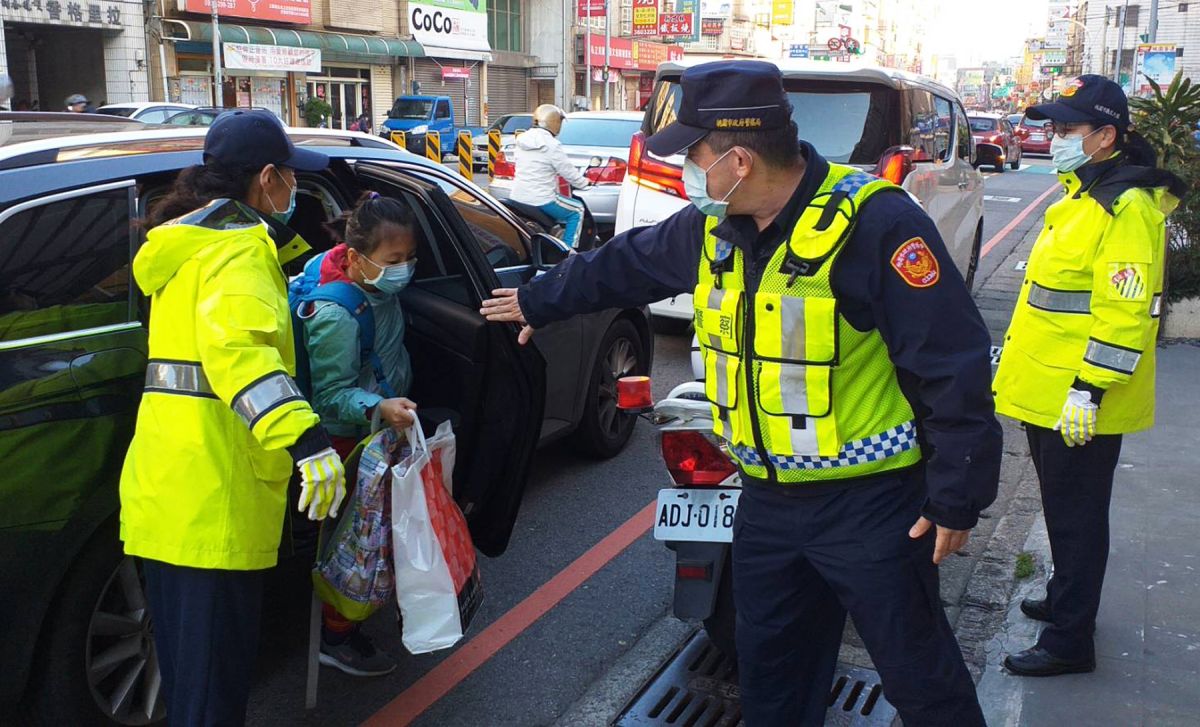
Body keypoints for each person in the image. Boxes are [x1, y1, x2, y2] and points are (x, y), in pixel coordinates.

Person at [481, 61, 1001, 726]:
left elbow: (951, 362)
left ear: (738, 159)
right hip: (765, 504)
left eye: (693, 156)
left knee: (923, 678)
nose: (686, 173)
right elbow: (626, 263)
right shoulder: (713, 229)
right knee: (772, 680)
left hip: (871, 508)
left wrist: (959, 491)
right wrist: (537, 299)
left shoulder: (876, 224)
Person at [120, 110, 346, 726]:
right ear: (268, 177)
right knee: (213, 699)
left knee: (191, 687)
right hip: (215, 504)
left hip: (165, 494)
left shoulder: (186, 247)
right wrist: (308, 440)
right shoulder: (237, 254)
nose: (294, 188)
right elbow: (241, 359)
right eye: (291, 177)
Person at [994, 75, 1184, 677]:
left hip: (1079, 396)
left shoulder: (1124, 207)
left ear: (1106, 135)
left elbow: (1126, 312)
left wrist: (1090, 387)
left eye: (1068, 129)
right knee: (1060, 506)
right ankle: (1063, 598)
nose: (1055, 139)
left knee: (1078, 516)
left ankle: (1071, 641)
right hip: (1047, 388)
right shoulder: (1083, 193)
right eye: (1054, 128)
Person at [299, 191, 419, 676]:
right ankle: (337, 634)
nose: (404, 270)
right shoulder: (333, 316)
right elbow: (329, 397)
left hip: (380, 424)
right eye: (394, 261)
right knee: (355, 542)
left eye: (410, 259)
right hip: (349, 441)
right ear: (355, 259)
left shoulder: (375, 286)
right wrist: (378, 405)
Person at [509, 103, 591, 248]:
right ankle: (568, 251)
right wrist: (584, 183)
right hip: (541, 199)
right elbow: (567, 171)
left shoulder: (521, 141)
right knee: (577, 210)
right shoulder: (552, 145)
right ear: (554, 122)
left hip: (517, 196)